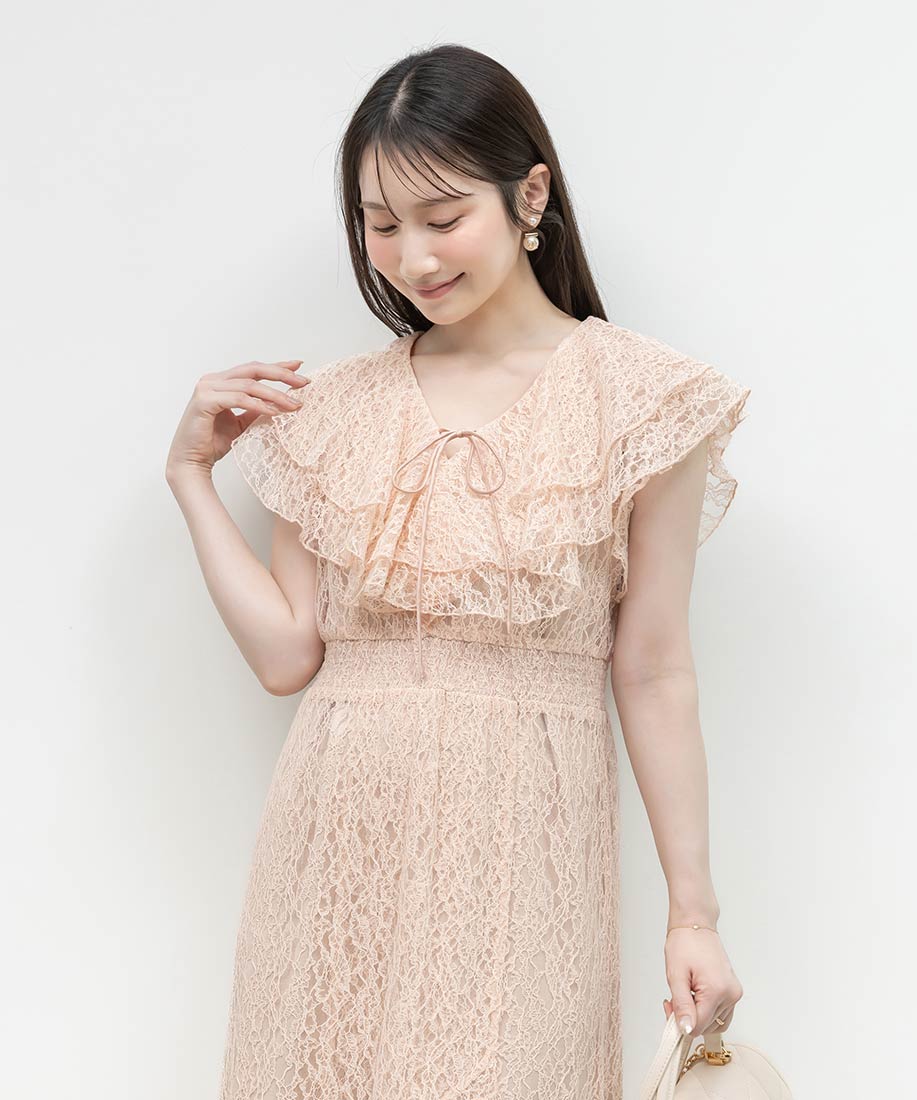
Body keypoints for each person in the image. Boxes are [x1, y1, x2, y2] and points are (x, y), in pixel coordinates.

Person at [166, 42, 748, 1100]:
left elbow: (654, 666)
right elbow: (288, 655)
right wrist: (192, 479)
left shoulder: (641, 400)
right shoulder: (329, 411)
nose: (412, 256)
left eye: (441, 217)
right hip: (337, 839)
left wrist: (692, 913)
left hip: (523, 849)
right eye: (380, 223)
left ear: (530, 196)